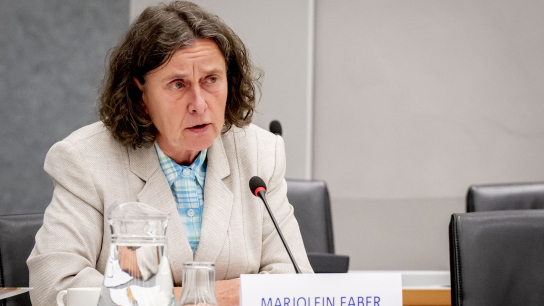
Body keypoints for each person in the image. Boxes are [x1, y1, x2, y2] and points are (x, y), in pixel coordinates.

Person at [27, 2, 313, 306]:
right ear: (140, 96)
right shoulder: (85, 160)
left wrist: (159, 296)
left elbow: (294, 279)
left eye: (211, 80)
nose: (200, 104)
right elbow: (55, 285)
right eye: (178, 84)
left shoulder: (259, 153)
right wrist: (212, 296)